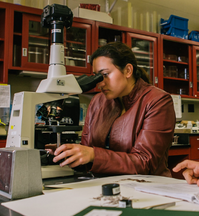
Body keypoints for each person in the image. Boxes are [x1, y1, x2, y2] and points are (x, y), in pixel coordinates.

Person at [47, 42, 176, 177]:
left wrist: (93, 155)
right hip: (103, 184)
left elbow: (145, 163)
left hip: (146, 188)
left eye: (105, 74)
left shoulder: (158, 101)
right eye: (97, 76)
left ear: (128, 70)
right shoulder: (97, 102)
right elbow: (86, 152)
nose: (100, 83)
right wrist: (67, 153)